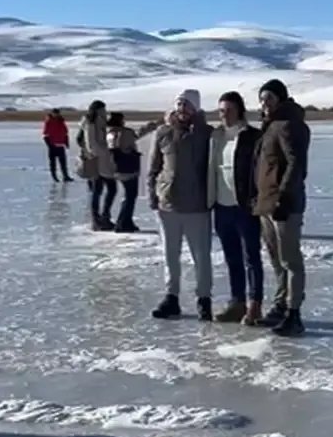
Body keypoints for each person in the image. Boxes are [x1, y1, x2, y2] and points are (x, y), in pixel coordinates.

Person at [147, 89, 214, 320]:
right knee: (170, 254)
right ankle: (171, 297)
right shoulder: (163, 133)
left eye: (187, 105)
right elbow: (153, 167)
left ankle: (204, 298)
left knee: (201, 255)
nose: (182, 109)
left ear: (196, 109)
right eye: (179, 104)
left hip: (197, 205)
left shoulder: (206, 133)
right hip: (168, 204)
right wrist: (152, 195)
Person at [252, 79, 310, 337]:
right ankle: (280, 304)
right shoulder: (270, 125)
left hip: (284, 205)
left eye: (270, 99)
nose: (264, 104)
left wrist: (282, 200)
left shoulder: (289, 125)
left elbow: (295, 165)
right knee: (276, 260)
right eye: (262, 99)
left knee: (290, 260)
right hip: (267, 203)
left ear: (282, 100)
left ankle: (293, 313)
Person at [209, 91, 265, 324]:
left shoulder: (252, 136)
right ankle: (237, 302)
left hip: (244, 206)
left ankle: (255, 305)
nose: (225, 115)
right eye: (221, 111)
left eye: (229, 110)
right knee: (231, 257)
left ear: (240, 110)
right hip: (221, 206)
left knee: (251, 256)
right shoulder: (216, 136)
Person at [107, 111, 161, 233]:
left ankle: (126, 221)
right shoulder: (125, 133)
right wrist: (153, 126)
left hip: (116, 168)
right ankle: (123, 222)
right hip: (128, 168)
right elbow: (135, 137)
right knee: (130, 196)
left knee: (127, 195)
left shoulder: (109, 134)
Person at [80, 100, 117, 230]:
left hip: (102, 161)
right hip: (97, 161)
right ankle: (97, 220)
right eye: (102, 109)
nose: (105, 112)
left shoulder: (99, 121)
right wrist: (104, 153)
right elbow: (92, 145)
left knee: (101, 189)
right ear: (97, 110)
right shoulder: (90, 123)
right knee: (101, 190)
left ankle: (103, 218)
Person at [41, 108, 72, 182]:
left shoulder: (61, 121)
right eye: (55, 113)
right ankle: (54, 176)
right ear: (52, 113)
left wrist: (66, 142)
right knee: (53, 162)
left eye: (58, 113)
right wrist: (50, 145)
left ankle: (65, 176)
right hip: (52, 145)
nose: (56, 115)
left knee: (63, 162)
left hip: (60, 145)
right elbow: (45, 135)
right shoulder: (49, 122)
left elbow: (65, 132)